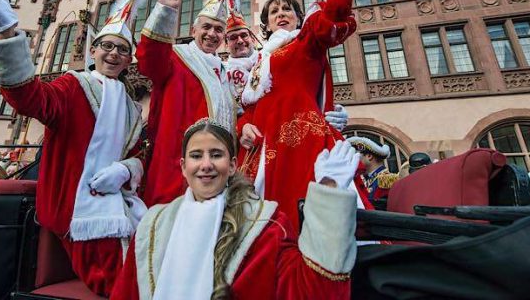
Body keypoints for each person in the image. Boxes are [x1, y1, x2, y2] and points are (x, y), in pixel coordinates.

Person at [0, 0, 147, 296]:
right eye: (107, 46)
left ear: (129, 60)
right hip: (76, 209)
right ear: (93, 51)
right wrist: (9, 33)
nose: (113, 54)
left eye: (122, 50)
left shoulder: (130, 106)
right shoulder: (73, 86)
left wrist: (125, 169)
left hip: (119, 200)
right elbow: (32, 100)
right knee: (123, 278)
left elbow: (139, 151)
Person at [111, 118, 359, 300]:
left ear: (231, 165)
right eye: (197, 156)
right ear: (184, 167)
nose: (206, 165)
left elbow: (311, 292)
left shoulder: (266, 224)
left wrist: (330, 194)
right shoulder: (153, 224)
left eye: (216, 155)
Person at [237, 0, 372, 227]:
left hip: (300, 145)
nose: (281, 13)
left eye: (287, 9)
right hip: (260, 151)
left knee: (306, 221)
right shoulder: (262, 60)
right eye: (274, 11)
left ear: (300, 18)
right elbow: (250, 109)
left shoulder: (307, 42)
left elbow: (336, 10)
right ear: (266, 25)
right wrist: (243, 126)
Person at [137, 0, 237, 206]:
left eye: (218, 29)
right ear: (193, 30)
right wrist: (165, 12)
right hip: (176, 171)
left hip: (215, 172)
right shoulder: (177, 58)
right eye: (206, 27)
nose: (212, 34)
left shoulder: (224, 72)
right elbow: (149, 60)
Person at [224, 6, 350, 130]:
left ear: (252, 38)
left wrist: (331, 109)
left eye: (244, 35)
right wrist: (242, 127)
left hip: (299, 126)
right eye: (233, 38)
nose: (240, 41)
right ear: (226, 44)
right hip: (255, 138)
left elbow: (311, 83)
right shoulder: (223, 73)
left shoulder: (270, 57)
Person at [347, 136, 397, 204]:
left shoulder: (387, 180)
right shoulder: (364, 179)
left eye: (357, 155)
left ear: (369, 156)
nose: (354, 159)